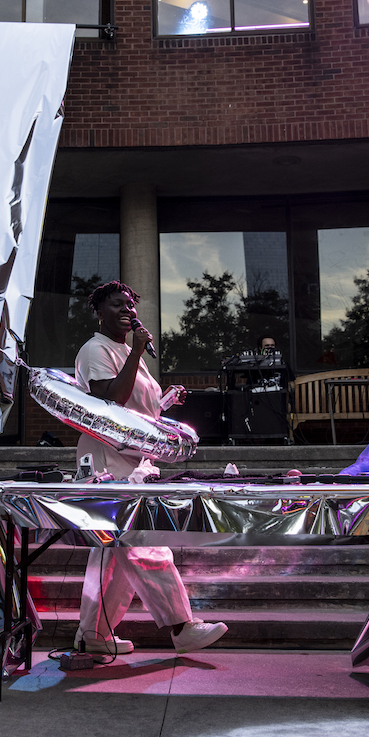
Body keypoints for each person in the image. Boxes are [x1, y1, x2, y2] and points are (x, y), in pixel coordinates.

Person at [73, 280, 228, 657]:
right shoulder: (96, 350)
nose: (127, 310)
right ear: (98, 311)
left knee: (114, 555)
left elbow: (138, 411)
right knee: (143, 543)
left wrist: (165, 400)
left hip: (135, 459)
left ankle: (92, 634)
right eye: (116, 304)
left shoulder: (130, 353)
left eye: (130, 304)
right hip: (108, 461)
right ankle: (181, 626)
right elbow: (110, 399)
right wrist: (137, 350)